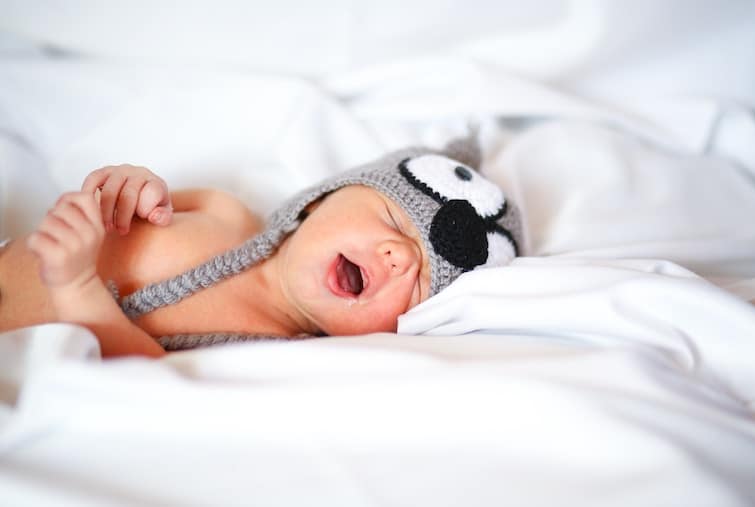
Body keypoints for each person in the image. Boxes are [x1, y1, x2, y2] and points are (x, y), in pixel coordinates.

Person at [0, 134, 524, 358]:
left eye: (421, 286)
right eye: (392, 218)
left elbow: (142, 374)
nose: (401, 257)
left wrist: (76, 287)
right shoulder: (222, 211)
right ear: (321, 200)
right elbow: (115, 202)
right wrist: (124, 186)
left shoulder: (270, 350)